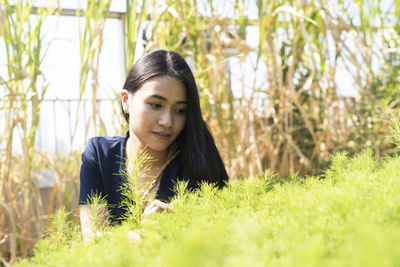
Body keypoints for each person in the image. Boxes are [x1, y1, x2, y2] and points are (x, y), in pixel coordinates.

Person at [79, 49, 229, 241]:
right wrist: (137, 239)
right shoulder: (99, 156)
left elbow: (218, 240)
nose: (167, 121)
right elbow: (92, 240)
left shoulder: (198, 163)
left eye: (180, 110)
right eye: (156, 105)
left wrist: (175, 230)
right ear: (126, 101)